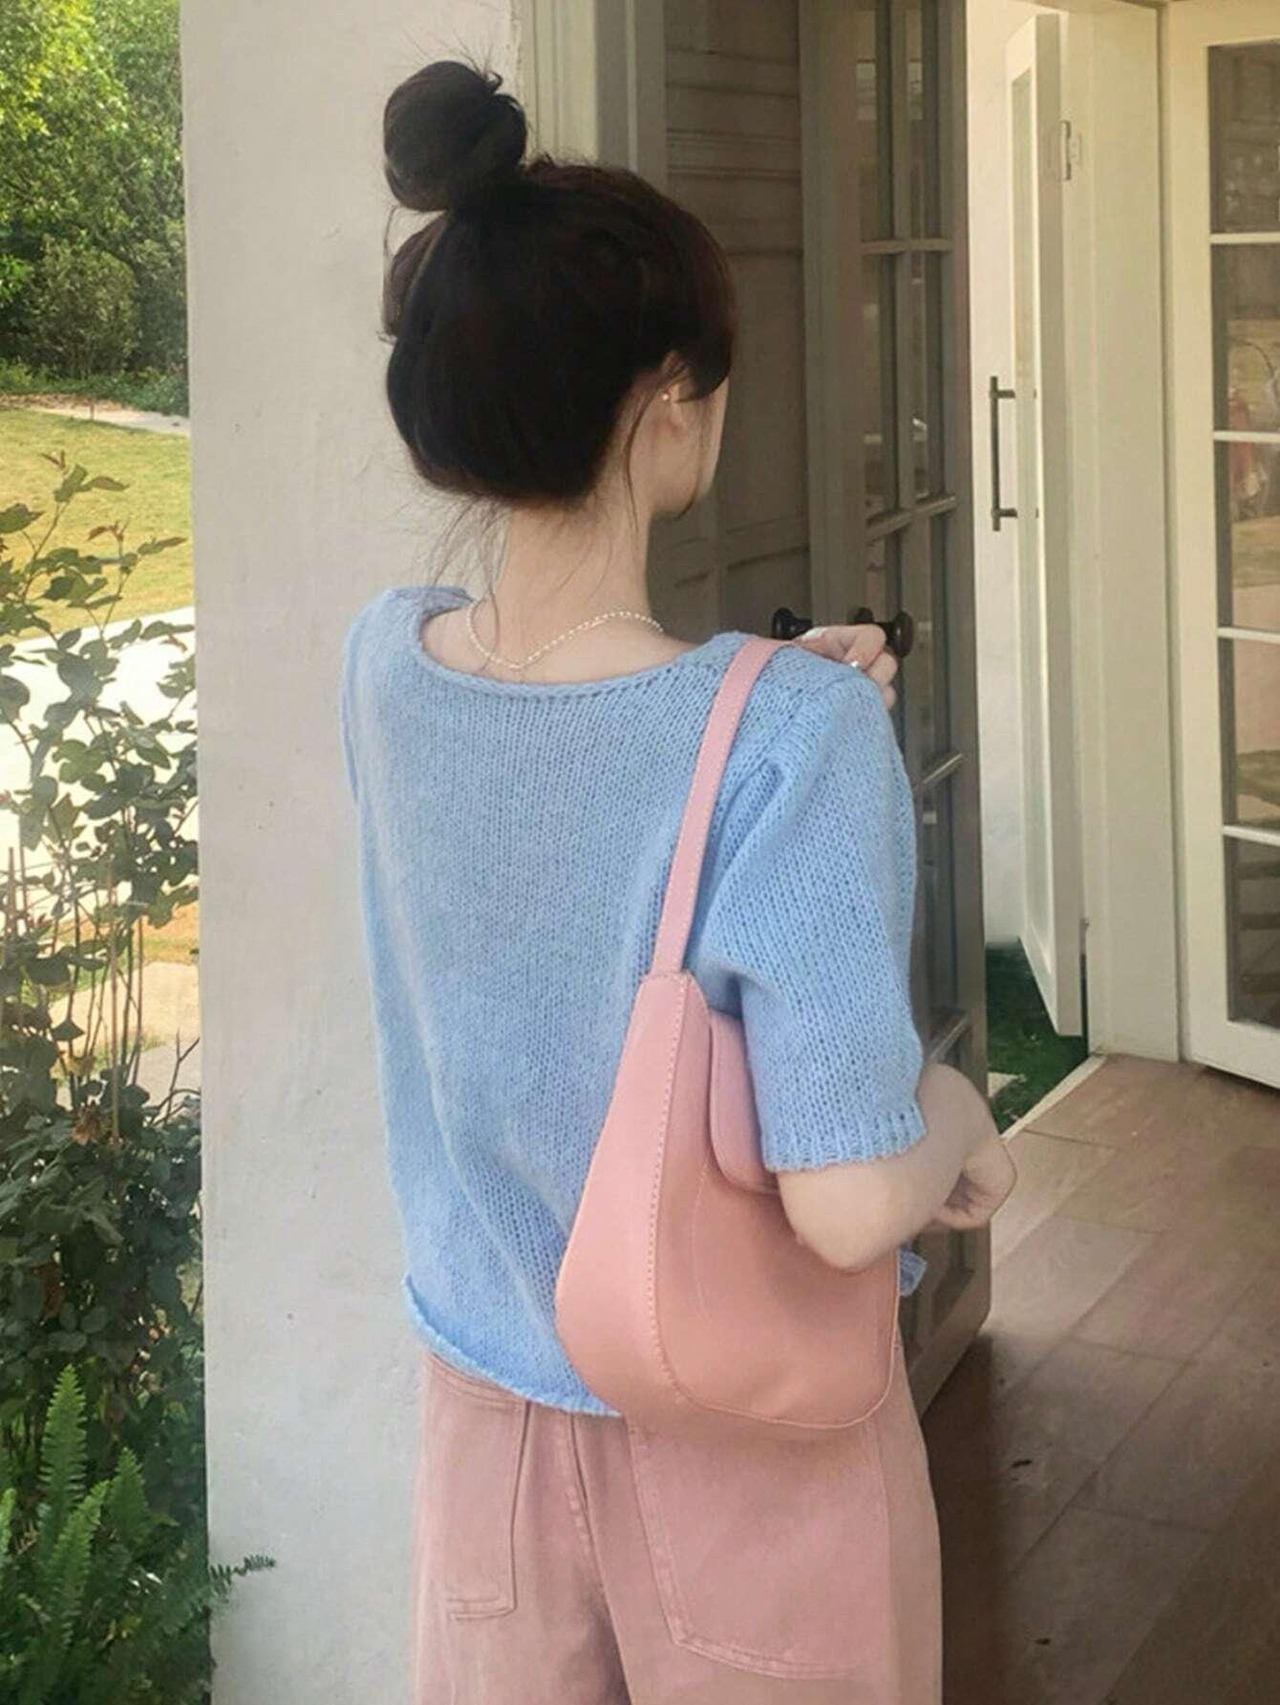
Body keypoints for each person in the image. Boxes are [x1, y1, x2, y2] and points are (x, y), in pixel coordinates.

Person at [339, 57, 1016, 1705]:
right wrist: (957, 1121)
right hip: (744, 1443)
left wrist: (775, 707)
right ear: (666, 403)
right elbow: (845, 1199)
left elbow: (563, 814)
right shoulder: (786, 737)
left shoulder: (381, 665)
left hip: (483, 1437)